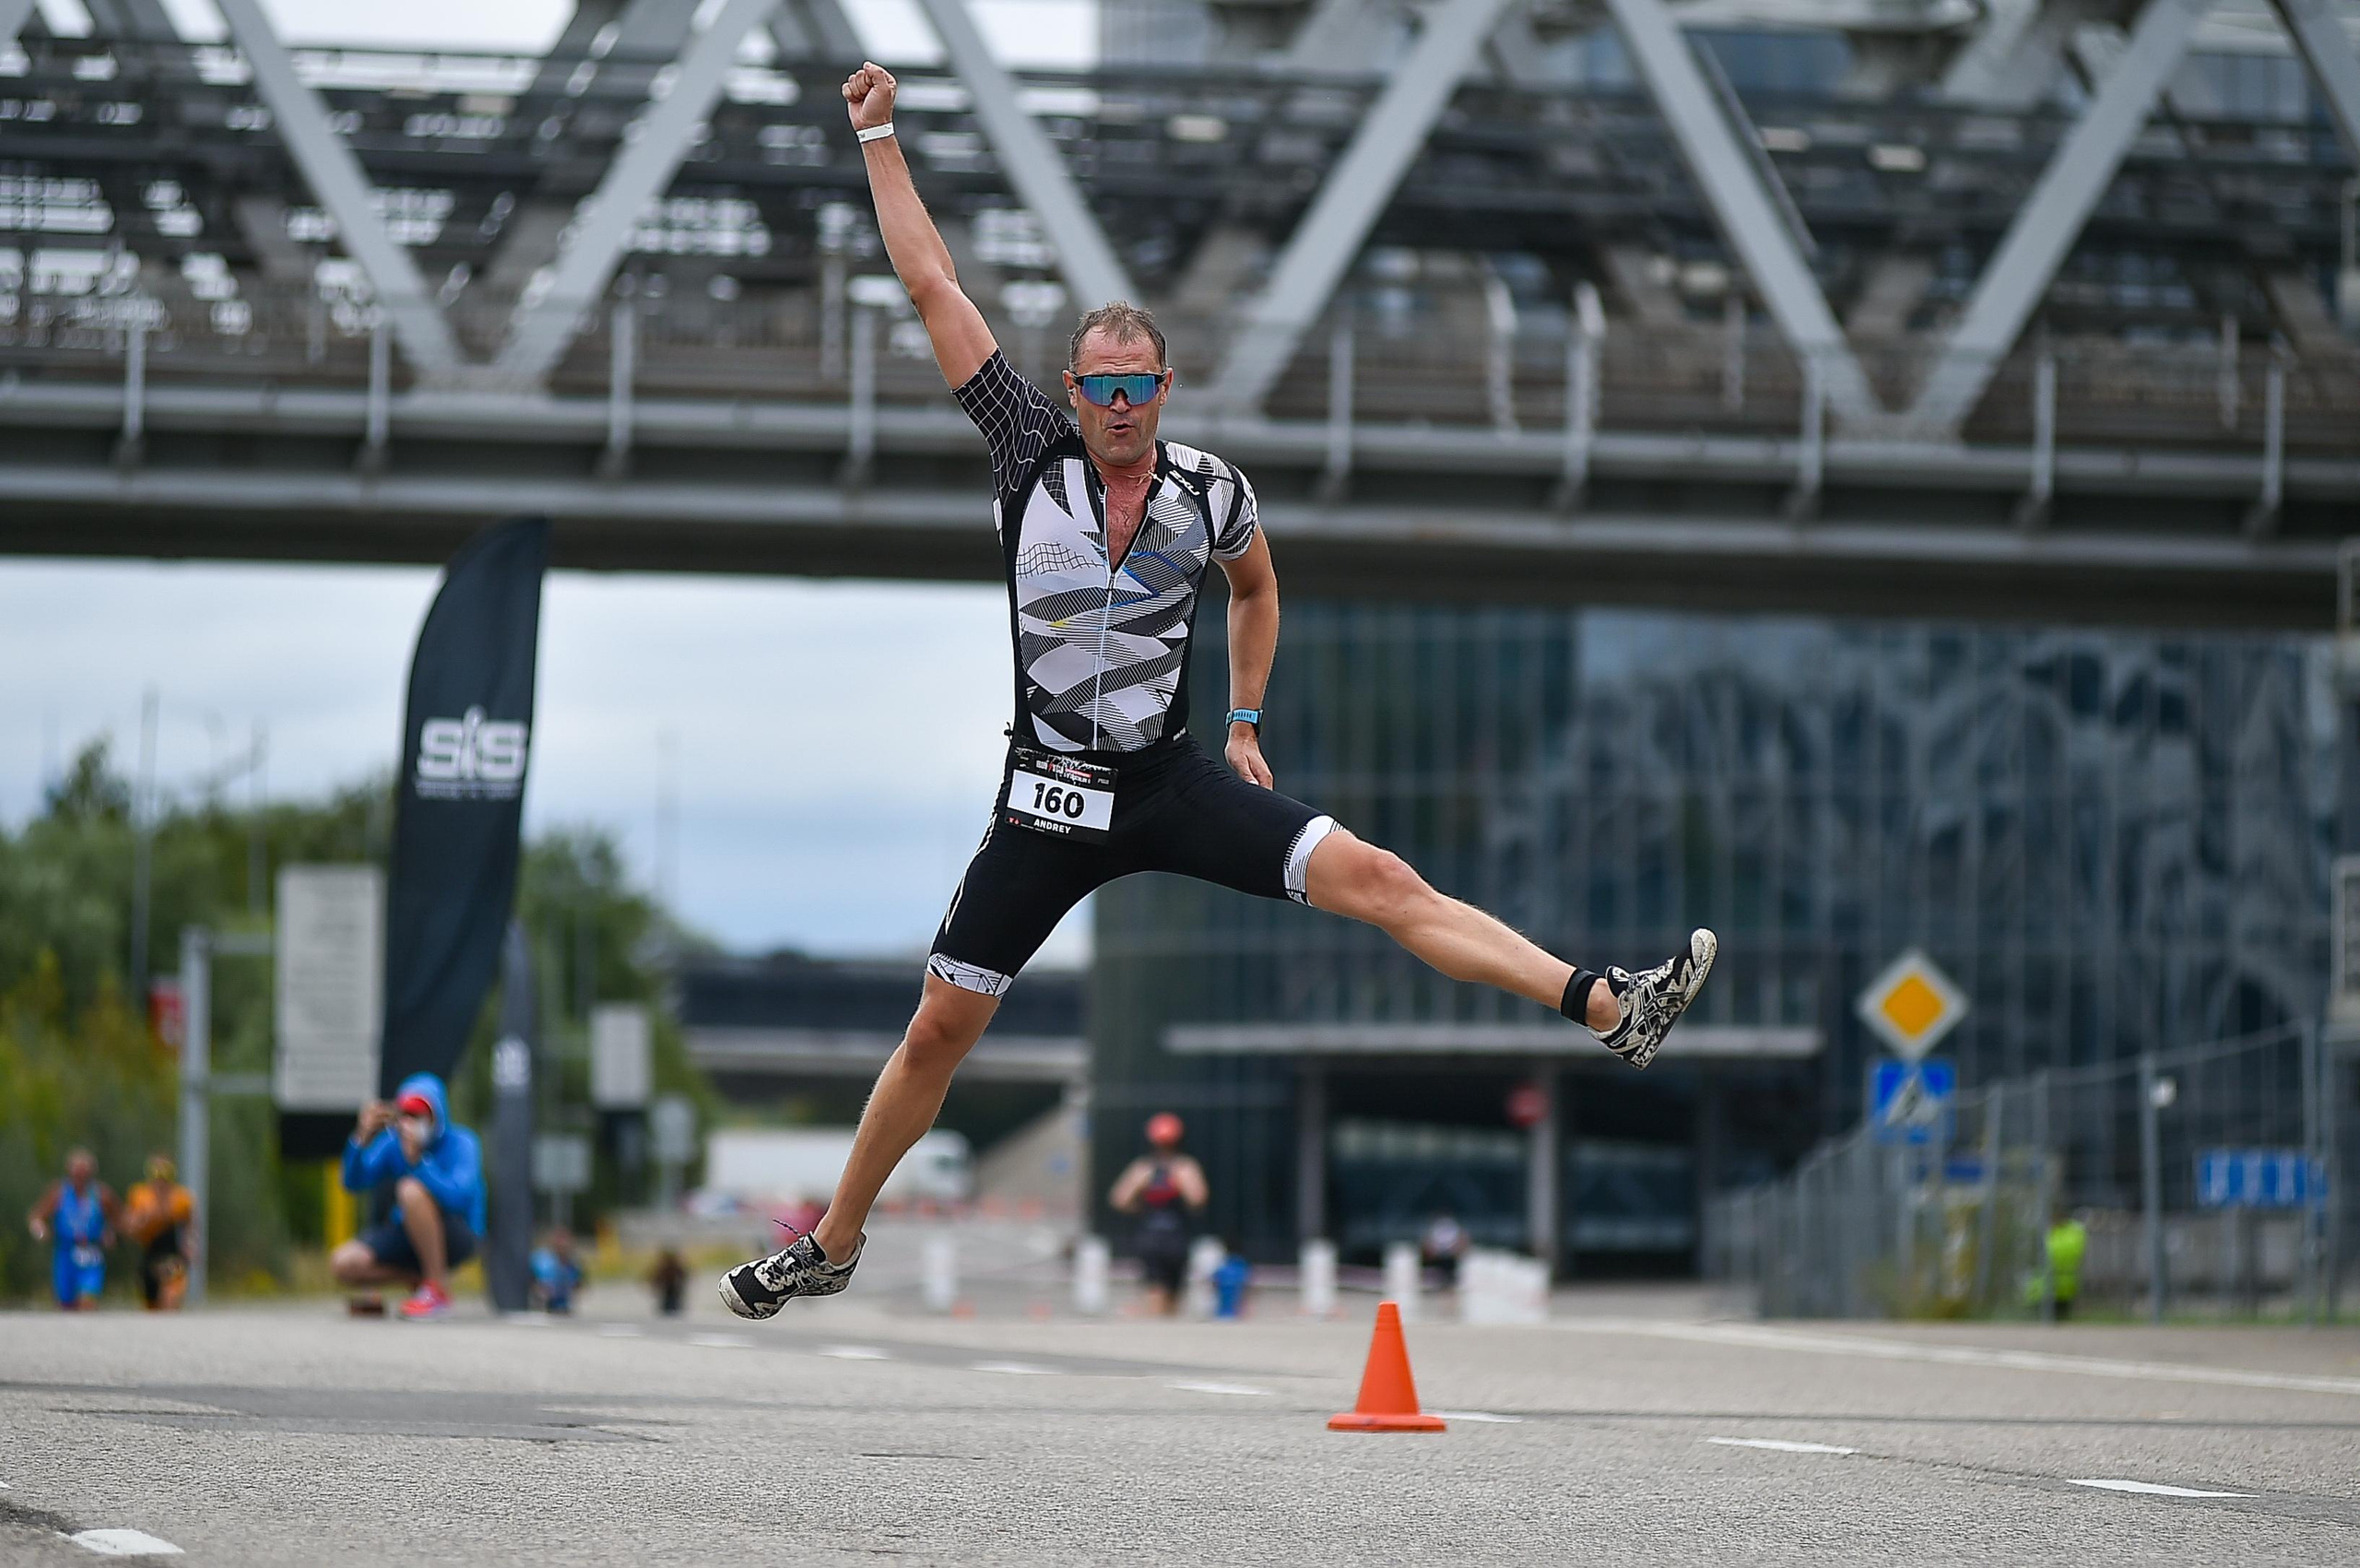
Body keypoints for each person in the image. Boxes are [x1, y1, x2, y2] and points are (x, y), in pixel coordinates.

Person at [717, 61, 1718, 1321]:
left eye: (1141, 388)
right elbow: (933, 284)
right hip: (1045, 798)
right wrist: (879, 137)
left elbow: (1258, 590)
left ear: (1164, 391)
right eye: (1101, 388)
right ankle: (835, 1242)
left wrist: (1244, 720)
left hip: (1168, 779)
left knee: (1383, 880)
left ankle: (1605, 1003)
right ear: (1073, 392)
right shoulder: (1029, 454)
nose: (1120, 407)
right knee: (937, 1032)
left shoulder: (1210, 492)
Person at [330, 1073, 486, 1321]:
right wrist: (361, 1139)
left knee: (410, 1190)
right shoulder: (393, 1143)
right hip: (409, 1231)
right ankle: (419, 1280)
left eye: (421, 1115)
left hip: (457, 1230)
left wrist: (419, 1163)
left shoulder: (462, 1142)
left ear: (437, 1116)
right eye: (407, 1114)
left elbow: (460, 1198)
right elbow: (352, 1182)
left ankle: (437, 1291)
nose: (412, 1122)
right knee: (343, 1263)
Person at [1107, 1114, 1208, 1315]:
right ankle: (1159, 1329)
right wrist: (1141, 1205)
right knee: (1156, 1289)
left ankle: (1164, 1328)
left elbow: (1198, 1200)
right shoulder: (1152, 1168)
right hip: (1156, 1238)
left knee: (1172, 1290)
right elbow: (1119, 1199)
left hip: (1171, 1237)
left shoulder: (1179, 1168)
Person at [28, 1149, 118, 1311]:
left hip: (91, 1253)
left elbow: (118, 1218)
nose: (80, 1178)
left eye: (84, 1174)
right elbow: (37, 1216)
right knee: (66, 1305)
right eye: (77, 1173)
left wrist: (109, 1232)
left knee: (87, 1300)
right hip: (65, 1253)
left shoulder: (101, 1194)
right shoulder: (59, 1193)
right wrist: (40, 1230)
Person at [122, 1152, 195, 1311]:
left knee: (170, 1297)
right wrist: (143, 1220)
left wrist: (190, 1246)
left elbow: (190, 1226)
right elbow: (129, 1227)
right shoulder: (140, 1195)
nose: (160, 1179)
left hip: (172, 1254)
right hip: (150, 1254)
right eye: (155, 1172)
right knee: (152, 1306)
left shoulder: (181, 1198)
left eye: (165, 1173)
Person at [529, 1228, 585, 1315]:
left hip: (563, 1307)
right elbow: (534, 1283)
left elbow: (578, 1285)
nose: (564, 1245)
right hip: (542, 1307)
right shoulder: (542, 1261)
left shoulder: (574, 1265)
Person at [1422, 1212, 1469, 1291]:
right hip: (1435, 1257)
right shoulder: (1433, 1230)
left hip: (1450, 1258)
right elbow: (1427, 1244)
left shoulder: (1454, 1229)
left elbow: (1463, 1242)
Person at [649, 1246, 689, 1316]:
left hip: (673, 1290)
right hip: (668, 1291)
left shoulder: (673, 1267)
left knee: (674, 1308)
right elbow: (657, 1278)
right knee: (669, 1309)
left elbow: (683, 1276)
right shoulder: (665, 1268)